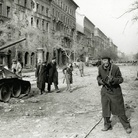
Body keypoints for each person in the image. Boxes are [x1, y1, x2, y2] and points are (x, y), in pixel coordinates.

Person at [97, 56, 132, 134]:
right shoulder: (100, 68)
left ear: (109, 60)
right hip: (105, 91)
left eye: (106, 60)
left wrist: (113, 79)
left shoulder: (115, 68)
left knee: (120, 109)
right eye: (103, 60)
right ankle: (107, 125)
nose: (104, 62)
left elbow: (121, 79)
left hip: (115, 91)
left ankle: (127, 126)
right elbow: (98, 77)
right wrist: (101, 81)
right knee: (105, 108)